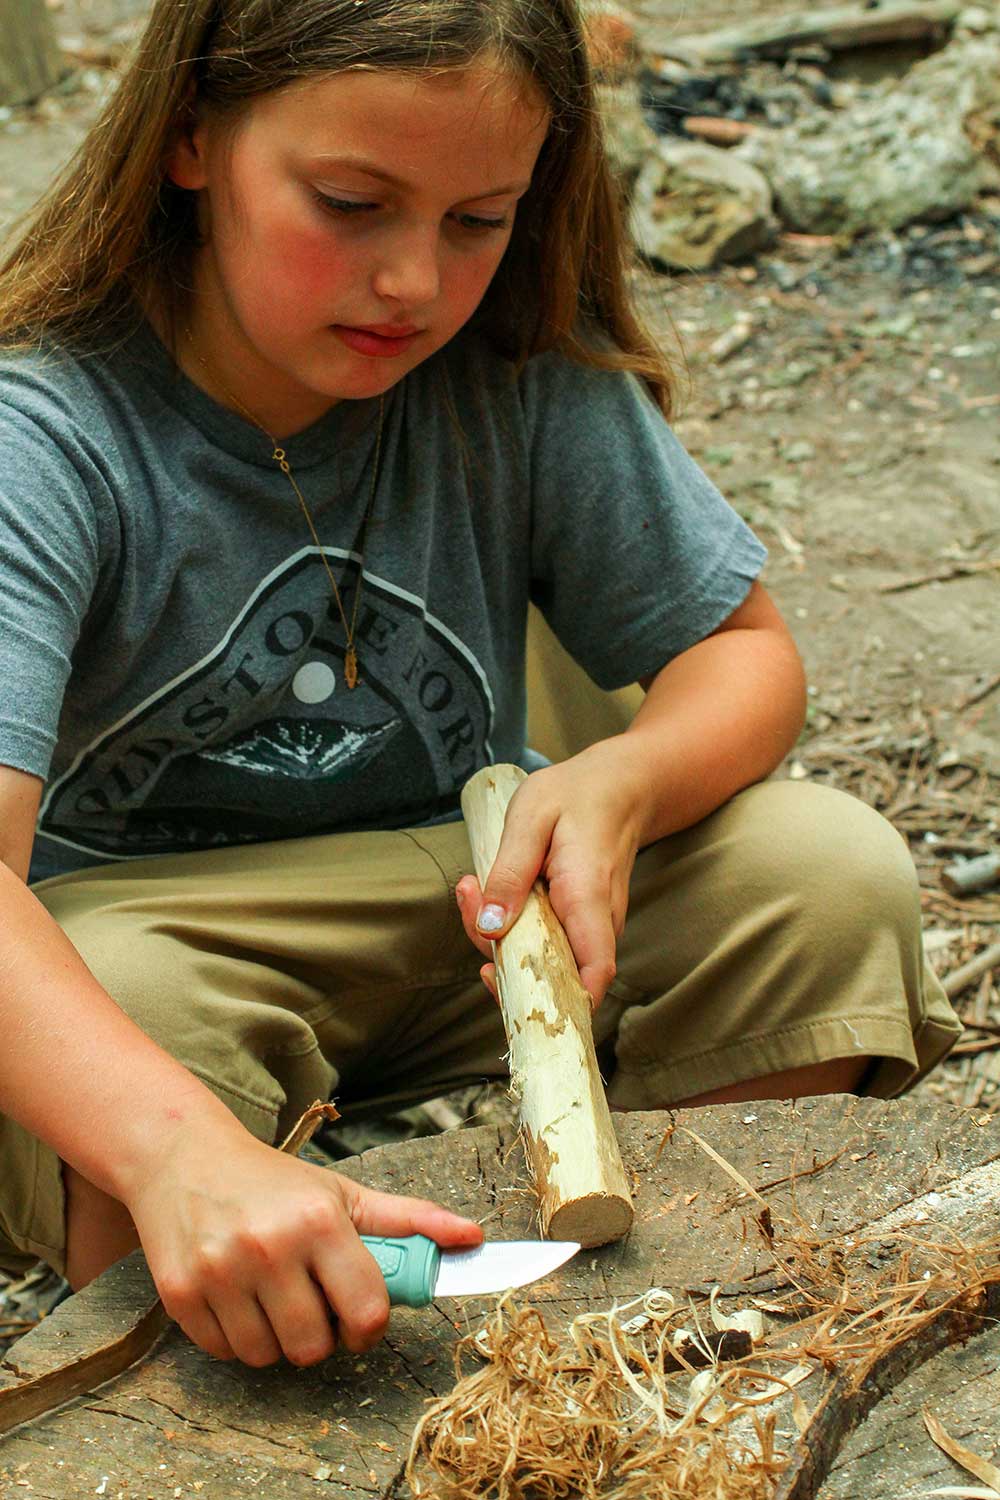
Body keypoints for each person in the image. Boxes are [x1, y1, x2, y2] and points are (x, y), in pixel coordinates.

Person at [0, 0, 961, 1372]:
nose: (412, 284)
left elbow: (741, 656)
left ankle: (695, 1316)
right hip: (173, 951)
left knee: (824, 872)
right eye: (350, 202)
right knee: (131, 1003)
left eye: (478, 220)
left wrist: (623, 778)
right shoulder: (47, 437)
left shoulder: (507, 368)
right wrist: (171, 1152)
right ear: (192, 137)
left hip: (485, 898)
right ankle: (191, 1391)